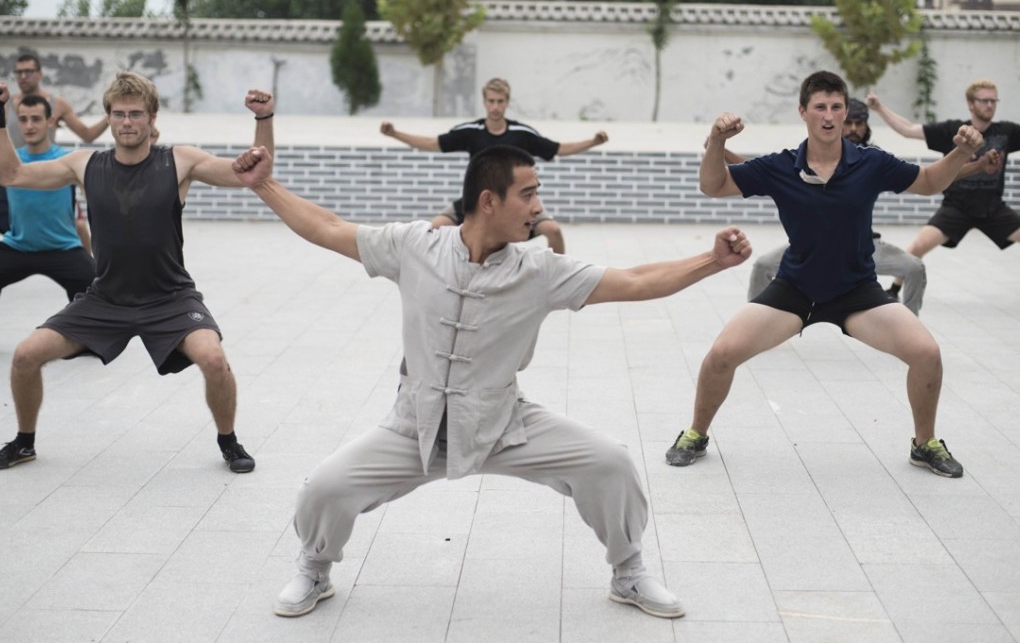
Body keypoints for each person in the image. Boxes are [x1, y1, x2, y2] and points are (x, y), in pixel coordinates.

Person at [230, 143, 751, 619]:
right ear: (488, 201)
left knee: (610, 462)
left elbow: (636, 281)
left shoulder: (539, 269)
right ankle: (315, 571)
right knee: (324, 487)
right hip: (415, 427)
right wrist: (264, 185)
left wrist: (713, 260)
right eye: (527, 195)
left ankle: (630, 573)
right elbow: (327, 226)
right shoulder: (415, 246)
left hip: (504, 423)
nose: (537, 208)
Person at [665, 70, 983, 479]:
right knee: (721, 355)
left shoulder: (871, 163)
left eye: (837, 107)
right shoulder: (779, 166)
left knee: (927, 354)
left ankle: (924, 444)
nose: (830, 115)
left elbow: (926, 183)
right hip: (795, 288)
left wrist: (958, 153)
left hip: (858, 292)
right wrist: (718, 141)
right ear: (804, 112)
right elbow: (714, 186)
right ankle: (696, 433)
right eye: (820, 107)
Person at [0, 72, 276, 473]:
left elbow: (253, 173)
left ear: (151, 118)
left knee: (214, 359)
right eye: (118, 114)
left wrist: (264, 118)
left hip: (170, 298)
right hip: (105, 299)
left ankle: (229, 441)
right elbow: (12, 175)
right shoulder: (84, 164)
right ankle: (25, 443)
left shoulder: (179, 161)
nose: (127, 122)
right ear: (108, 119)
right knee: (25, 355)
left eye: (135, 114)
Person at [379, 77, 609, 254]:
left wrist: (593, 142)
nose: (495, 106)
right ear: (485, 102)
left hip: (517, 203)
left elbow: (558, 149)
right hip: (477, 201)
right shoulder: (472, 132)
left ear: (507, 103)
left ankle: (559, 278)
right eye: (491, 101)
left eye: (500, 101)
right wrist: (394, 134)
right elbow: (432, 143)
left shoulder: (522, 134)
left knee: (554, 231)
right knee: (435, 227)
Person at [744, 98, 927, 315]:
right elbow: (761, 174)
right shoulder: (809, 156)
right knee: (763, 265)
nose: (853, 129)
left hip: (860, 247)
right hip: (811, 247)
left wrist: (960, 163)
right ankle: (756, 322)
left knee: (915, 267)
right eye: (849, 123)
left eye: (859, 123)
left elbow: (926, 177)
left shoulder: (874, 160)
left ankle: (910, 325)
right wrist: (721, 150)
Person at [866, 80, 1020, 289]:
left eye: (993, 101)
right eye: (984, 100)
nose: (990, 105)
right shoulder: (953, 131)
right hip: (956, 207)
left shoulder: (1007, 132)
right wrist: (879, 108)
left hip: (993, 207)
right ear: (971, 104)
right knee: (918, 246)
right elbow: (908, 129)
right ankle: (894, 289)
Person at [5, 51, 109, 250]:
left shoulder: (57, 104)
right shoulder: (7, 103)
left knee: (79, 224)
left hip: (49, 171)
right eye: (19, 72)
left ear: (40, 74)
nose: (23, 77)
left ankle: (93, 275)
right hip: (14, 178)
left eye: (28, 71)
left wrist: (111, 115)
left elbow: (87, 135)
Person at [0, 94, 95, 304]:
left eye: (36, 119)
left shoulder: (67, 159)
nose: (29, 125)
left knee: (96, 288)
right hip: (18, 246)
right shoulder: (11, 163)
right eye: (23, 120)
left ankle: (79, 335)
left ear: (50, 122)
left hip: (63, 248)